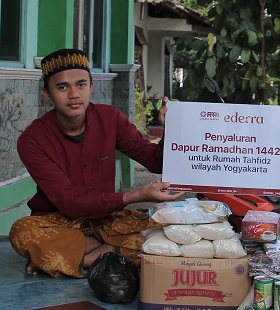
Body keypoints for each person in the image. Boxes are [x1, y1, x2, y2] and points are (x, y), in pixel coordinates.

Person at [11, 48, 182, 278]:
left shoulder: (110, 118)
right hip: (58, 221)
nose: (74, 94)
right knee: (22, 232)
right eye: (62, 87)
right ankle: (108, 254)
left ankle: (74, 258)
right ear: (46, 94)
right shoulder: (32, 140)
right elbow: (69, 203)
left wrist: (169, 129)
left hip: (106, 220)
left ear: (91, 87)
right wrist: (135, 196)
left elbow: (154, 161)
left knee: (166, 231)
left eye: (81, 85)